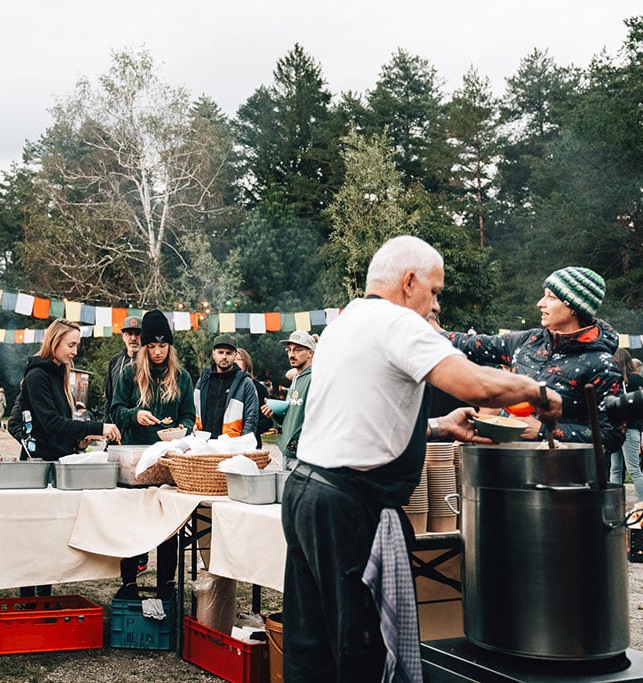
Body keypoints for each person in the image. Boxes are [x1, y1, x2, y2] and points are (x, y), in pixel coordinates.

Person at [281, 235, 562, 681]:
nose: (435, 305)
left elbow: (360, 418)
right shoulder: (398, 323)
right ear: (409, 282)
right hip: (346, 507)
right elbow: (474, 384)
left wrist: (439, 427)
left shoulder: (345, 321)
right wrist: (537, 391)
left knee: (311, 647)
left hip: (305, 494)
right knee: (361, 652)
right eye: (434, 292)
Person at [442, 266, 623, 454]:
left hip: (565, 474)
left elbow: (612, 436)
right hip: (508, 461)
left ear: (573, 308)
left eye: (551, 297)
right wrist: (423, 328)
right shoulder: (528, 340)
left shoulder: (603, 365)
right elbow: (471, 344)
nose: (540, 303)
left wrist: (543, 431)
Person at [19, 318, 121, 597]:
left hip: (59, 463)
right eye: (71, 344)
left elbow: (60, 423)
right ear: (55, 342)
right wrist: (96, 428)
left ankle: (44, 598)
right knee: (35, 538)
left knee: (51, 536)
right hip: (40, 467)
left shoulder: (60, 373)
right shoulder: (37, 376)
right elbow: (49, 422)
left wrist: (77, 438)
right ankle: (29, 602)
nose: (75, 350)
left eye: (77, 344)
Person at [110, 309, 194, 599]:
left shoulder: (182, 377)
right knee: (134, 523)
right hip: (136, 461)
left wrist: (181, 429)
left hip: (168, 461)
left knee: (168, 522)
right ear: (144, 347)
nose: (157, 352)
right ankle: (129, 581)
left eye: (163, 345)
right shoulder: (129, 373)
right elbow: (116, 410)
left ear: (170, 346)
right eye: (152, 346)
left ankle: (167, 583)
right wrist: (135, 415)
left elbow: (188, 416)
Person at [262, 330, 316, 466]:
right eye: (289, 350)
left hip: (304, 457)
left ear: (311, 353)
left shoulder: (315, 378)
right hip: (287, 452)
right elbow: (292, 417)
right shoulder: (296, 379)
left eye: (297, 350)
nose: (291, 354)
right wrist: (274, 413)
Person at [194, 334, 258, 439]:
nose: (224, 356)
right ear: (213, 353)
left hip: (232, 444)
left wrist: (243, 445)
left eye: (228, 353)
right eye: (220, 352)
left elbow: (251, 419)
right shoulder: (203, 381)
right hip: (204, 443)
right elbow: (195, 412)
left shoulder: (245, 383)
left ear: (235, 355)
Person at [611, 348, 643, 515]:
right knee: (622, 468)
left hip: (623, 429)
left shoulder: (630, 379)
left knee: (625, 469)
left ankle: (636, 505)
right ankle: (622, 504)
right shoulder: (629, 379)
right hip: (623, 428)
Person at [103, 316, 142, 423]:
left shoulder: (150, 363)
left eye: (138, 334)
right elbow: (109, 397)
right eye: (129, 333)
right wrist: (107, 424)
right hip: (116, 425)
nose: (133, 338)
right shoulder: (115, 361)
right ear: (123, 336)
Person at [235, 348, 273, 449]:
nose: (234, 362)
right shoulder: (224, 387)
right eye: (232, 359)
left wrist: (247, 432)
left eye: (238, 359)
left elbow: (267, 422)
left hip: (251, 445)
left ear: (246, 363)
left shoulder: (259, 389)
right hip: (226, 443)